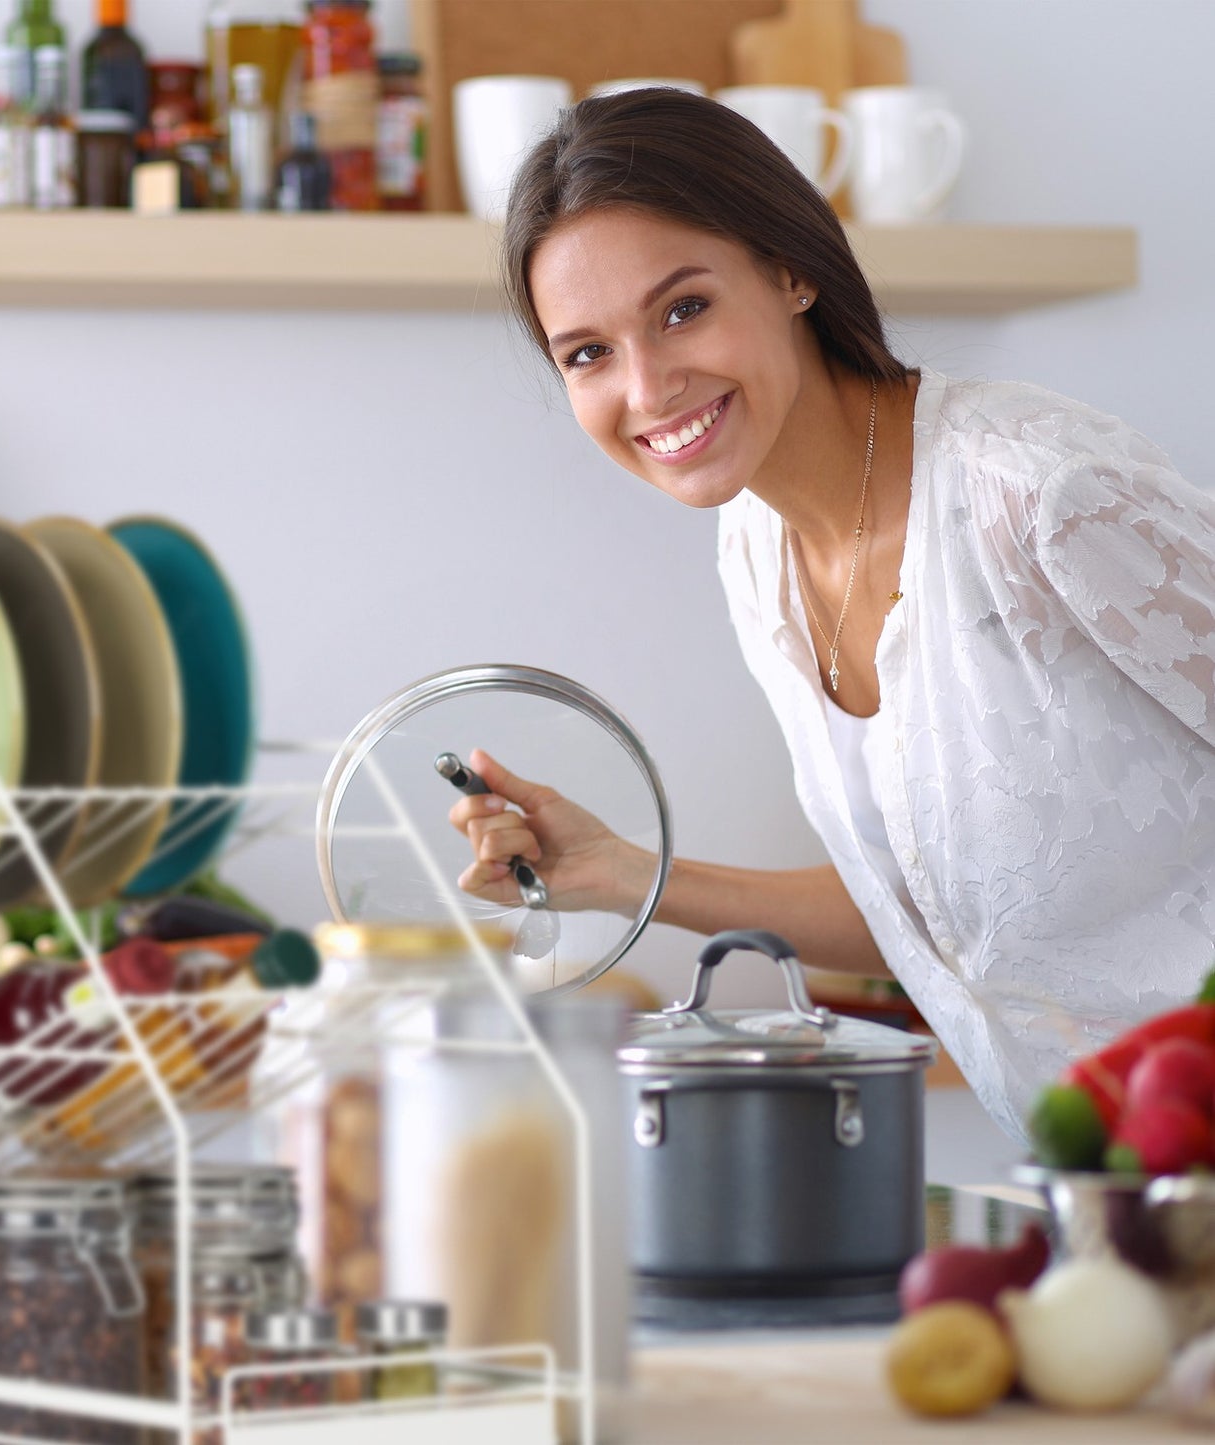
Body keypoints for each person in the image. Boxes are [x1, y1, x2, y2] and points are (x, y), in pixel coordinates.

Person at [446, 87, 1215, 1143]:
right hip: (1110, 1195)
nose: (647, 386)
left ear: (789, 268)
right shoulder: (756, 554)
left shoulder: (1038, 494)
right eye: (586, 353)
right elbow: (932, 916)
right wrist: (623, 875)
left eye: (681, 309)